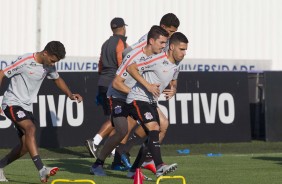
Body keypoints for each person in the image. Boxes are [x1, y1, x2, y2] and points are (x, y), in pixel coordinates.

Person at [90, 25, 169, 178]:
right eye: (162, 43)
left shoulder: (157, 56)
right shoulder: (133, 57)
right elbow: (117, 83)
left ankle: (135, 168)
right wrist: (141, 91)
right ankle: (98, 164)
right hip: (118, 96)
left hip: (138, 97)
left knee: (153, 129)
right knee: (121, 129)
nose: (164, 46)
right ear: (151, 41)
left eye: (166, 43)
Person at [0, 41, 83, 183]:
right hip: (12, 103)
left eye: (55, 62)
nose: (52, 64)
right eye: (52, 60)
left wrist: (70, 94)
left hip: (26, 107)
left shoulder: (48, 65)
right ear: (45, 53)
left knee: (26, 146)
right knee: (30, 128)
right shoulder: (26, 61)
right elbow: (2, 73)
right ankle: (42, 169)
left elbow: (57, 79)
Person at [112, 12, 180, 173]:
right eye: (170, 32)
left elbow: (173, 70)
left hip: (146, 92)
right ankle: (120, 157)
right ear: (163, 28)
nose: (171, 36)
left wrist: (173, 87)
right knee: (137, 126)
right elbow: (126, 54)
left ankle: (144, 157)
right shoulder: (149, 40)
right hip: (133, 88)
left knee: (158, 125)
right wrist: (135, 77)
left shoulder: (168, 46)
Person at [126, 32, 189, 178]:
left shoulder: (177, 64)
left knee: (158, 129)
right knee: (154, 127)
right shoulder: (157, 59)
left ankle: (133, 170)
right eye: (181, 49)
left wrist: (173, 89)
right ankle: (159, 165)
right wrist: (148, 85)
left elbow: (173, 81)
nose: (184, 53)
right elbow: (131, 69)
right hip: (137, 98)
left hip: (151, 102)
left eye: (185, 49)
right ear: (172, 47)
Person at [85, 17, 128, 158]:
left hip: (103, 82)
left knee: (115, 118)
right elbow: (123, 65)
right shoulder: (121, 43)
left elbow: (100, 65)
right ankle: (95, 141)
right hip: (114, 84)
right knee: (117, 118)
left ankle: (112, 150)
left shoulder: (105, 44)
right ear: (123, 27)